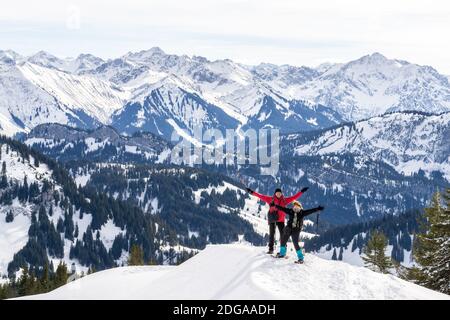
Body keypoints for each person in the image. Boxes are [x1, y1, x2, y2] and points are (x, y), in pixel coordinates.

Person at [245, 186, 308, 254]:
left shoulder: (284, 200)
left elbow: (294, 197)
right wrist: (251, 192)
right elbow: (260, 196)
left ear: (281, 193)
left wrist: (301, 191)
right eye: (277, 193)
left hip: (281, 220)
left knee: (283, 235)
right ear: (275, 193)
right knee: (272, 234)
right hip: (272, 219)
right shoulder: (270, 199)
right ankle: (271, 249)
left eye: (279, 193)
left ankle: (283, 249)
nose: (278, 194)